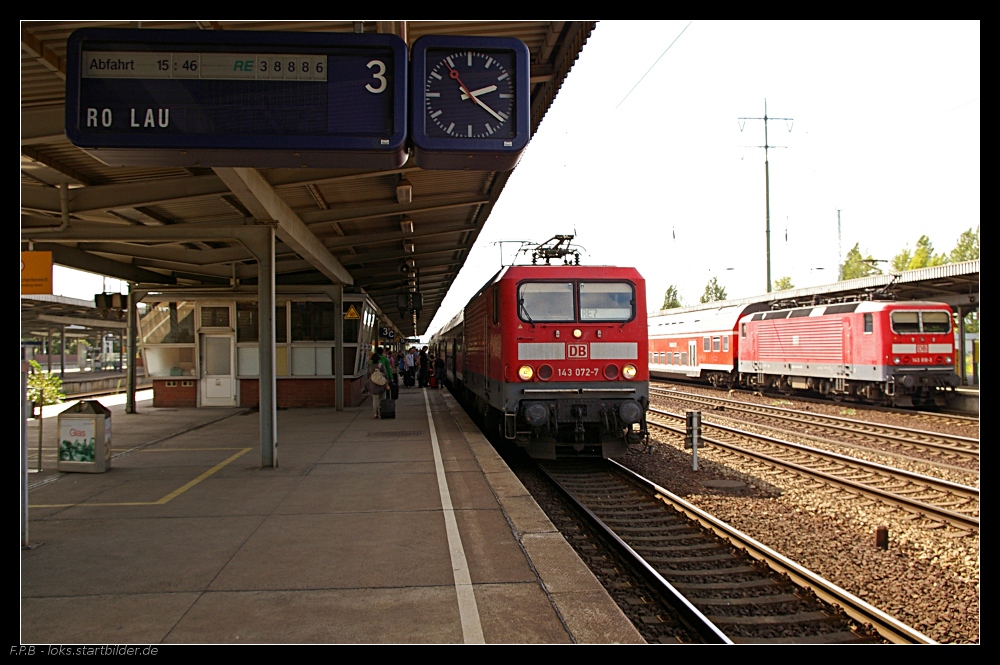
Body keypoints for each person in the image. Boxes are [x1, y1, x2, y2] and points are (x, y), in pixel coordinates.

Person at [367, 350, 388, 418]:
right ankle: (381, 410)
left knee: (375, 398)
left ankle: (375, 413)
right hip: (381, 384)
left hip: (373, 384)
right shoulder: (381, 365)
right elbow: (385, 374)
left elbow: (368, 375)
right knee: (381, 398)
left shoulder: (370, 366)